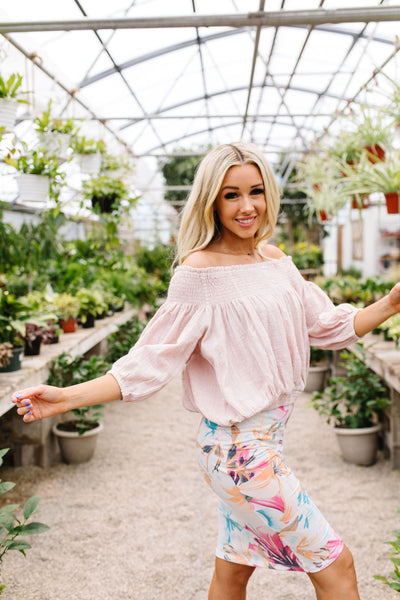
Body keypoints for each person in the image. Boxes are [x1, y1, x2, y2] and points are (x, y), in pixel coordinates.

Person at [11, 142, 400, 600]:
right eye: (231, 194)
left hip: (260, 446)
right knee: (337, 565)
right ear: (211, 200)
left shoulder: (276, 261)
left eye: (255, 191)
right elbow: (149, 363)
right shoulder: (198, 272)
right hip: (239, 454)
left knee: (232, 574)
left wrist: (391, 303)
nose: (247, 205)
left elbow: (328, 325)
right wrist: (67, 396)